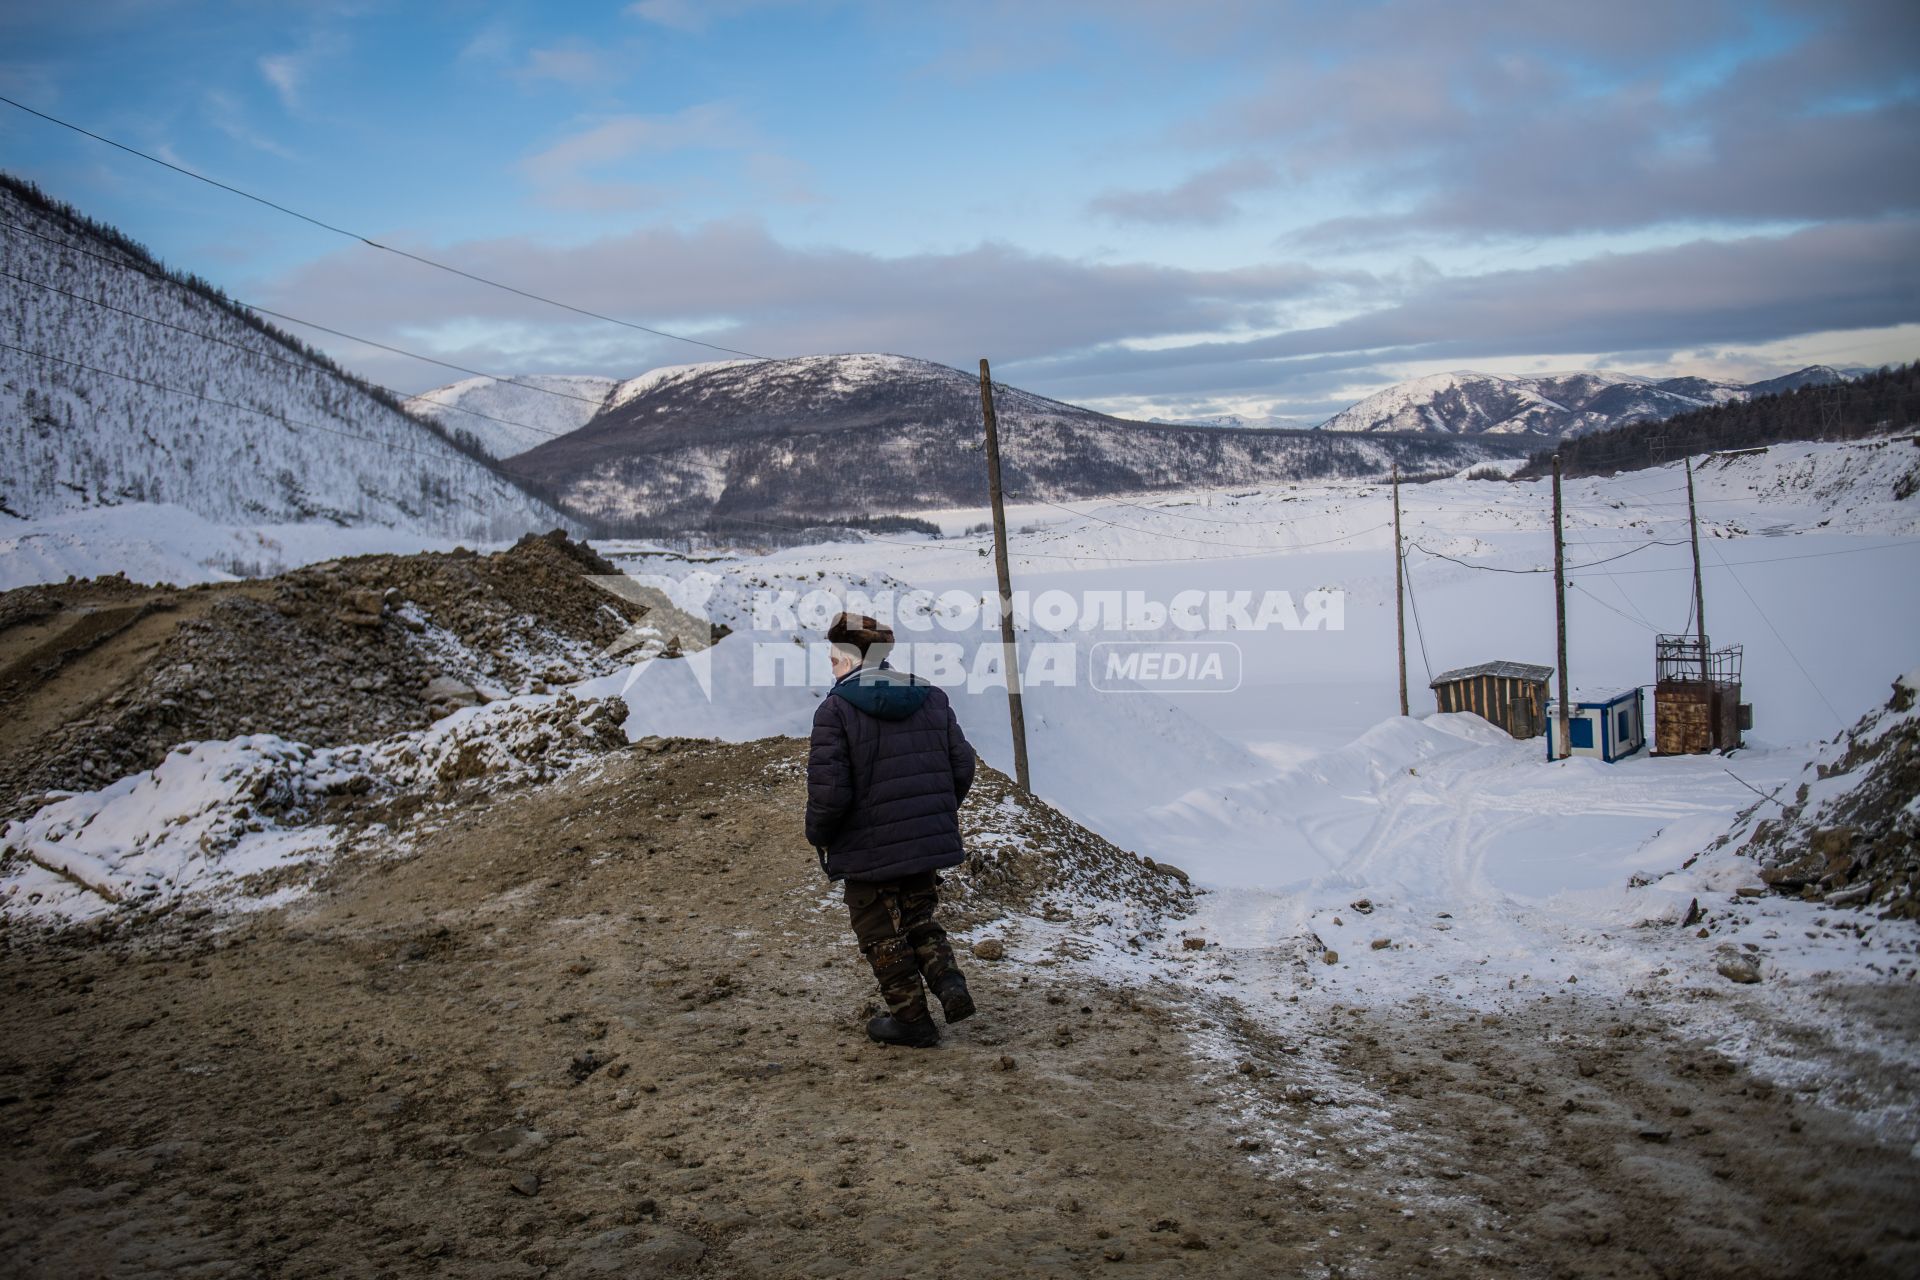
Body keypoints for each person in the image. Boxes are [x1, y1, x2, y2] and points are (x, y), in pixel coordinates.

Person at [806, 612, 977, 1047]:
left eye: (833, 658)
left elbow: (830, 795)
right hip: (922, 844)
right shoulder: (932, 697)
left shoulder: (836, 710)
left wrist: (819, 835)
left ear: (848, 657)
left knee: (880, 932)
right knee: (919, 918)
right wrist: (929, 814)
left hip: (867, 850)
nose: (831, 666)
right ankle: (950, 985)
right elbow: (962, 765)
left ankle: (912, 1021)